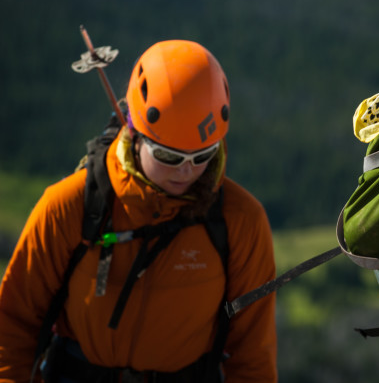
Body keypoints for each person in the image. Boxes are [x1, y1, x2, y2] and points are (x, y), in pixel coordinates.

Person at [0, 40, 277, 382]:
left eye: (203, 156)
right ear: (134, 132)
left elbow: (252, 354)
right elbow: (13, 324)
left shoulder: (240, 222)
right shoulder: (71, 206)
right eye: (168, 157)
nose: (186, 171)